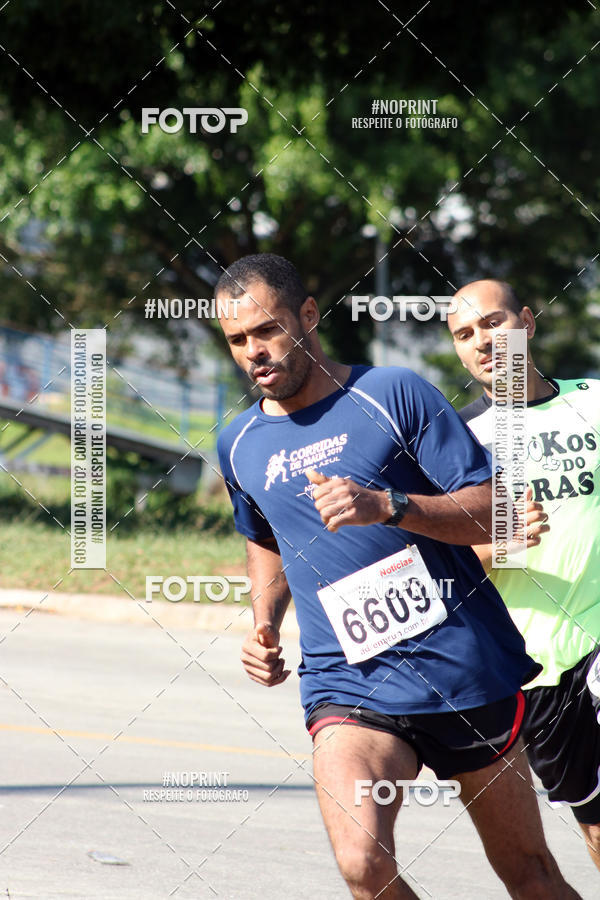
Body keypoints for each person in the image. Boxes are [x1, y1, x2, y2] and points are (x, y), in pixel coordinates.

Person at [216, 253, 579, 899]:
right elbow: (263, 536)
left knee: (529, 875)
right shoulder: (239, 443)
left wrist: (389, 505)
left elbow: (494, 508)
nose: (254, 352)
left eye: (267, 330)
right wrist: (263, 625)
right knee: (362, 863)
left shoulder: (392, 393)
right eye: (238, 340)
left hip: (462, 671)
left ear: (307, 315)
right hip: (348, 683)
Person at [448, 278, 600, 872]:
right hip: (538, 664)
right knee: (594, 819)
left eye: (492, 323)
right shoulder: (458, 442)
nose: (482, 341)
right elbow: (436, 561)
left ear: (527, 323)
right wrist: (498, 541)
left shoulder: (593, 400)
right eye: (465, 334)